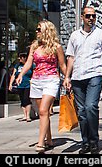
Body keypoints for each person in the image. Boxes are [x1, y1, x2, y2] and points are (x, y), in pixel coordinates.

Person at [63, 7, 102, 155]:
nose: (91, 18)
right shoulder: (74, 36)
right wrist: (67, 77)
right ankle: (85, 142)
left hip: (95, 74)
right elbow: (71, 58)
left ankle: (94, 141)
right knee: (81, 111)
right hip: (78, 77)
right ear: (82, 17)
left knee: (90, 106)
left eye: (94, 16)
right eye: (88, 16)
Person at [16, 20, 67, 153]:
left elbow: (62, 65)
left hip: (51, 80)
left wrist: (67, 78)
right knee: (42, 113)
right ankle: (49, 139)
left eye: (39, 29)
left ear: (46, 30)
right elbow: (28, 62)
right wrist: (21, 74)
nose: (37, 32)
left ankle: (41, 143)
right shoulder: (34, 46)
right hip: (37, 80)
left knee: (44, 111)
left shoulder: (56, 47)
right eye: (37, 29)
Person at [8, 52, 34, 122]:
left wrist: (32, 80)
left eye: (21, 57)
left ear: (25, 58)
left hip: (28, 84)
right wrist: (10, 84)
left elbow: (34, 73)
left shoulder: (30, 65)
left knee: (27, 99)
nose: (19, 59)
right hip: (20, 85)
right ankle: (25, 115)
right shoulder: (17, 66)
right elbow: (14, 75)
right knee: (22, 100)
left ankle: (28, 115)